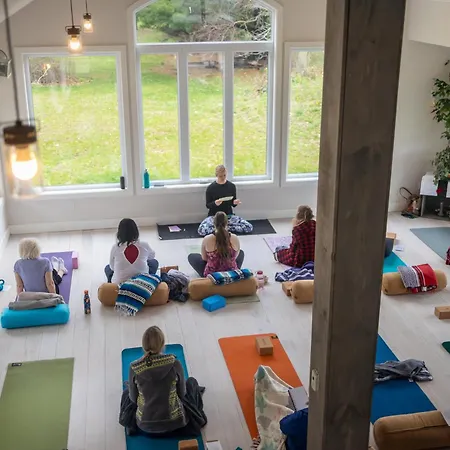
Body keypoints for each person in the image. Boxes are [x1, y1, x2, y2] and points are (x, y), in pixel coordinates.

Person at [125, 326, 207, 436]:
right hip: (176, 422)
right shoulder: (174, 363)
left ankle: (131, 425)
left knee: (127, 393)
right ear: (162, 343)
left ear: (143, 345)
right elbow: (182, 394)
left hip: (145, 425)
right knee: (191, 382)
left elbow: (133, 399)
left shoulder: (134, 367)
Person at [197, 165, 253, 237]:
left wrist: (235, 202)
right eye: (220, 176)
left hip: (228, 216)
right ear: (216, 175)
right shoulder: (211, 188)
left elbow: (233, 204)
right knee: (202, 230)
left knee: (248, 227)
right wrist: (215, 203)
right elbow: (208, 205)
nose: (223, 178)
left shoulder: (231, 186)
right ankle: (222, 229)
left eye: (224, 175)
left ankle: (222, 229)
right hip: (214, 216)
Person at [189, 211, 245, 277]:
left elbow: (204, 258)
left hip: (212, 275)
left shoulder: (207, 239)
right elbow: (235, 257)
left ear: (214, 223)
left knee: (192, 256)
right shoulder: (234, 237)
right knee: (240, 253)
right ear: (227, 223)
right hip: (231, 273)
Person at [105, 218, 158, 284]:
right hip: (142, 282)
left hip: (119, 283)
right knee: (154, 262)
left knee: (107, 268)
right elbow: (152, 256)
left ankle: (110, 283)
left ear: (119, 233)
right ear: (136, 231)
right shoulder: (144, 244)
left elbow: (112, 267)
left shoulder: (115, 247)